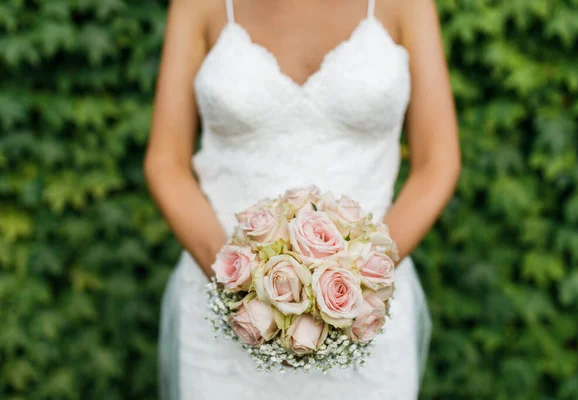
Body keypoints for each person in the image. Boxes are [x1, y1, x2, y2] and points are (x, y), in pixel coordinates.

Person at [144, 0, 460, 398]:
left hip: (365, 318)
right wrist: (239, 285)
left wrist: (360, 281)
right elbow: (165, 162)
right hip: (226, 308)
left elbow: (438, 160)